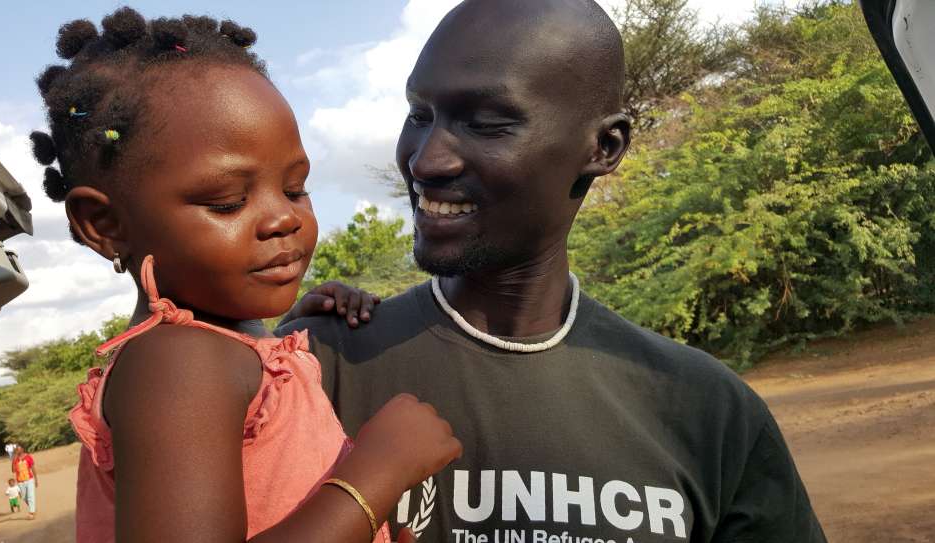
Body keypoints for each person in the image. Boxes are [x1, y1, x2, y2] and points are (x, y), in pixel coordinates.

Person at [278, 0, 827, 541]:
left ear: (603, 147)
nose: (425, 161)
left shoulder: (708, 410)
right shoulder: (310, 370)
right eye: (420, 115)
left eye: (487, 123)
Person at [29, 8, 460, 542]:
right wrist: (376, 476)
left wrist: (273, 336)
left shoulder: (214, 352)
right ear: (104, 225)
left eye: (295, 188)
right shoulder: (178, 364)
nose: (284, 218)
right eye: (229, 201)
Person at [11, 446, 37, 519]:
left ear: (22, 449)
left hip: (29, 480)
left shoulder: (28, 457)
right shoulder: (15, 459)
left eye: (19, 449)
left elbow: (33, 468)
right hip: (20, 482)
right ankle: (33, 509)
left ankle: (31, 512)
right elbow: (13, 470)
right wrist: (14, 459)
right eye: (16, 449)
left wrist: (36, 479)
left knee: (30, 496)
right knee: (24, 497)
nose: (17, 450)